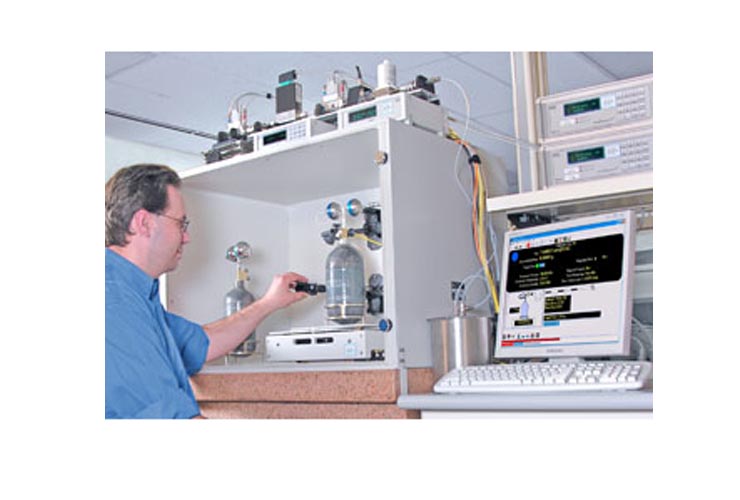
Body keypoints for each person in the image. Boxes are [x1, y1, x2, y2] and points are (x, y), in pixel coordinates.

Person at [105, 163, 309, 419]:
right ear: (144, 223)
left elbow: (203, 344)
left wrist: (269, 302)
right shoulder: (113, 303)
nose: (186, 237)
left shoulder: (135, 295)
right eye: (181, 224)